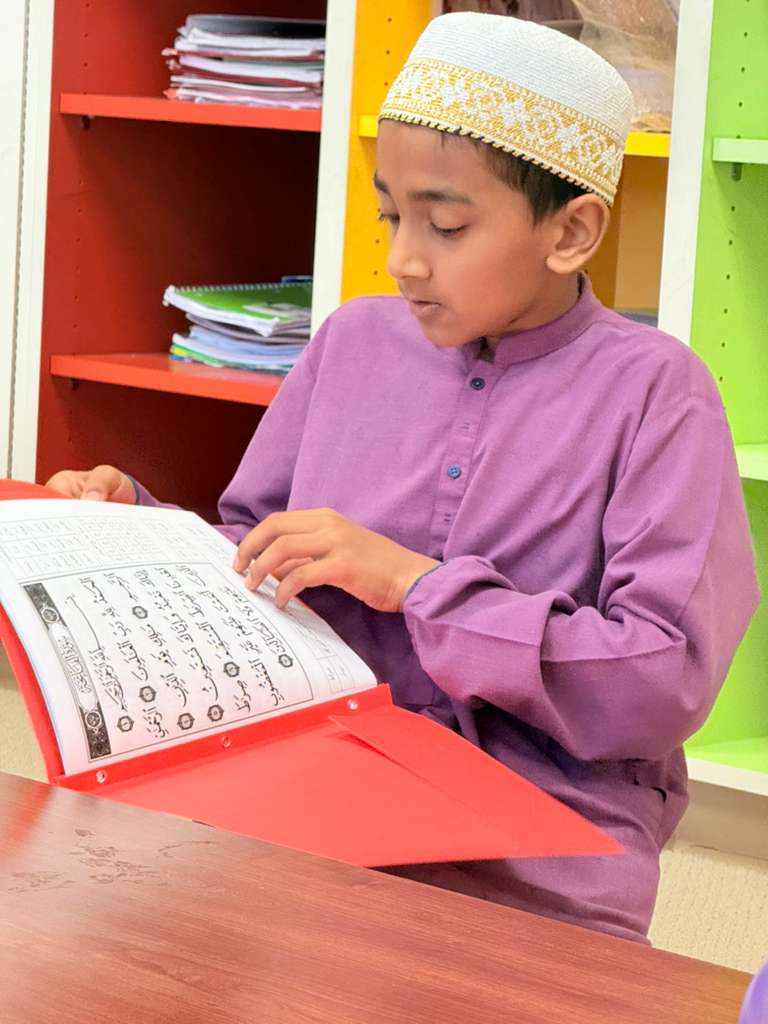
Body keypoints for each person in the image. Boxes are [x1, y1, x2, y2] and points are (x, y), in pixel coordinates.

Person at [46, 13, 759, 942]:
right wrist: (135, 526)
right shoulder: (351, 341)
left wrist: (418, 587)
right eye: (391, 214)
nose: (403, 259)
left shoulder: (658, 393)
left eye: (447, 224)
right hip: (310, 812)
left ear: (573, 231)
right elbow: (259, 559)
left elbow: (661, 679)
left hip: (538, 861)